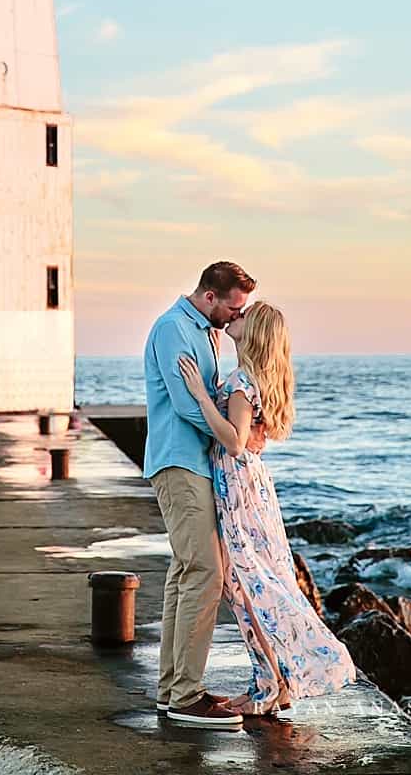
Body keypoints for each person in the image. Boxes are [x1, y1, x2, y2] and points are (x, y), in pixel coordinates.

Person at [179, 301, 358, 716]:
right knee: (257, 584)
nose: (234, 318)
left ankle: (272, 686)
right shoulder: (259, 379)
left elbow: (235, 440)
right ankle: (274, 685)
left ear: (254, 332)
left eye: (243, 316)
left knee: (249, 587)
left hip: (239, 487)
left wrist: (200, 396)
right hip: (254, 486)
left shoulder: (242, 381)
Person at [142, 261, 263, 728]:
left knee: (185, 573)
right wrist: (231, 433)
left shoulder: (208, 331)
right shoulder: (174, 328)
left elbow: (206, 398)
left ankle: (174, 688)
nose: (238, 315)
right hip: (180, 462)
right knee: (207, 574)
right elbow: (188, 404)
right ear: (210, 296)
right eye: (234, 306)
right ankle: (186, 696)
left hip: (196, 464)